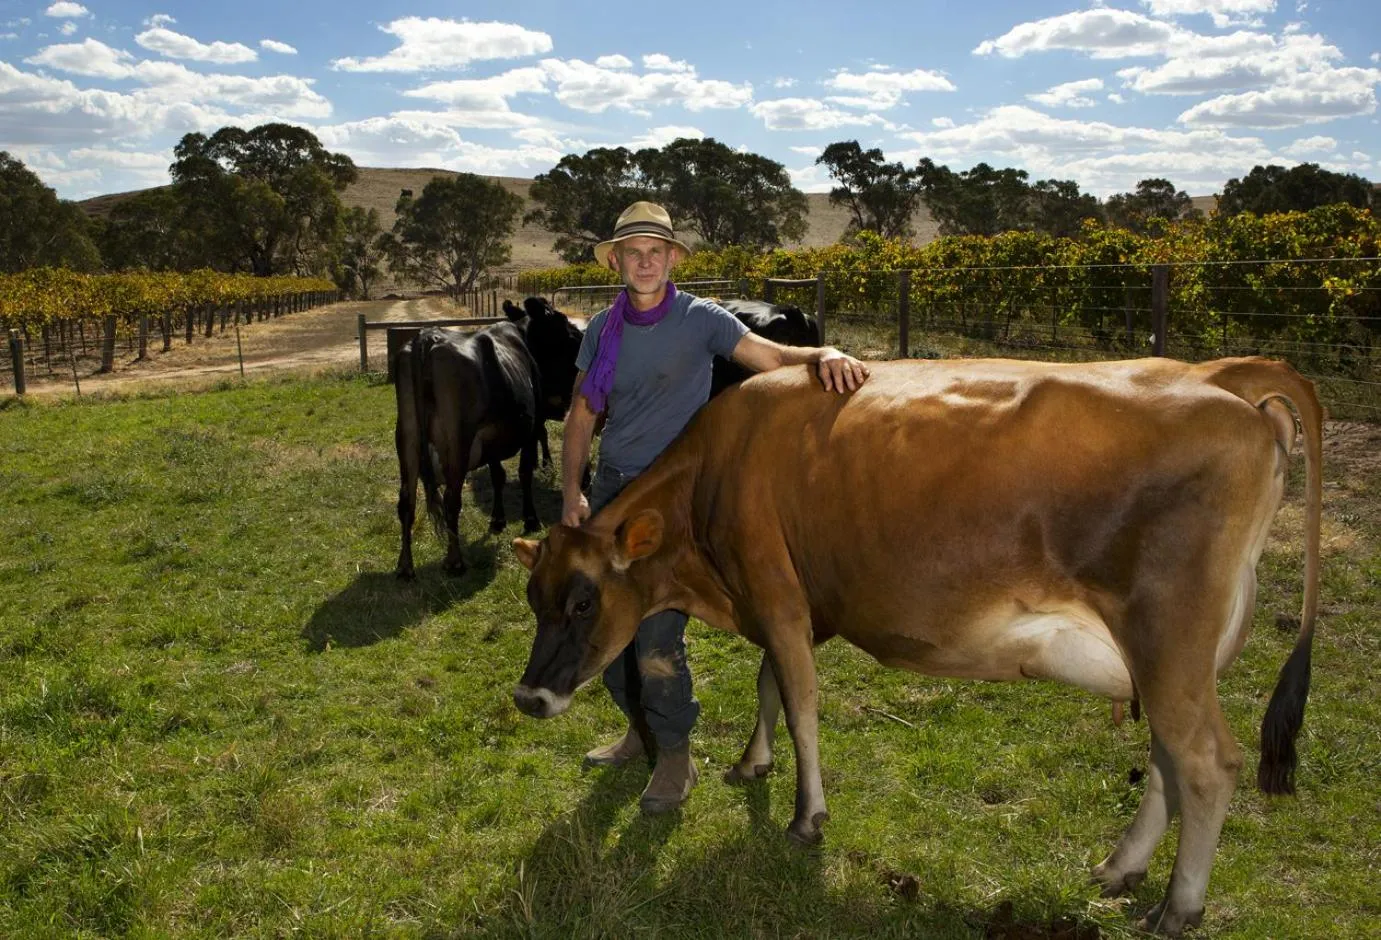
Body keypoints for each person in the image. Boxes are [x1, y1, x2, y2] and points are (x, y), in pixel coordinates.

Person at [559, 201, 869, 814]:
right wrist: (573, 489)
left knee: (654, 633)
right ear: (617, 261)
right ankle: (638, 731)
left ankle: (675, 757)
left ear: (672, 260)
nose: (644, 262)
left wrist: (823, 353)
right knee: (602, 621)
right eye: (633, 253)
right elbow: (582, 415)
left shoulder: (701, 319)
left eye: (656, 252)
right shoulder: (602, 330)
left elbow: (772, 358)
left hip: (680, 500)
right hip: (620, 487)